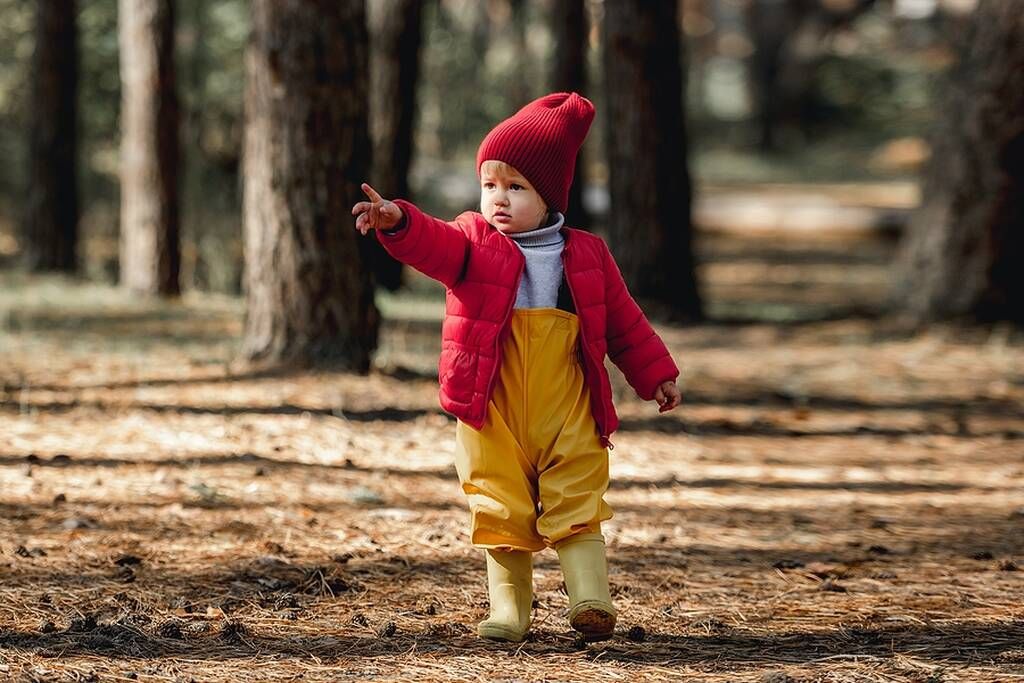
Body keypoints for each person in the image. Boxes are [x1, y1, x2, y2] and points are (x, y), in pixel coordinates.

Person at [352, 92, 681, 642]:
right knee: (498, 501)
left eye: (516, 187)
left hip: (566, 403)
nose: (498, 198)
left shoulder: (588, 254)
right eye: (490, 185)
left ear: (550, 194)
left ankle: (590, 598)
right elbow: (433, 244)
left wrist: (656, 375)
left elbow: (625, 323)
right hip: (491, 404)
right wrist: (399, 221)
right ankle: (509, 610)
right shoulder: (472, 241)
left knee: (577, 492)